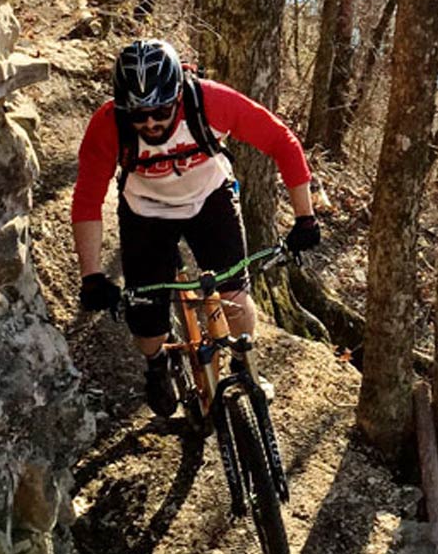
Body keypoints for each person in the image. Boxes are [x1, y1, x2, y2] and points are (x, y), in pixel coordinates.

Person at [70, 38, 321, 415]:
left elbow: (282, 142)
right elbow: (87, 200)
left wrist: (305, 218)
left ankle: (243, 364)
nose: (150, 123)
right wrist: (91, 276)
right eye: (138, 116)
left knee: (234, 297)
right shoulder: (108, 125)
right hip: (146, 210)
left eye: (160, 111)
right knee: (147, 321)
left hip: (209, 199)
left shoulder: (210, 101)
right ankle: (157, 364)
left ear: (177, 97)